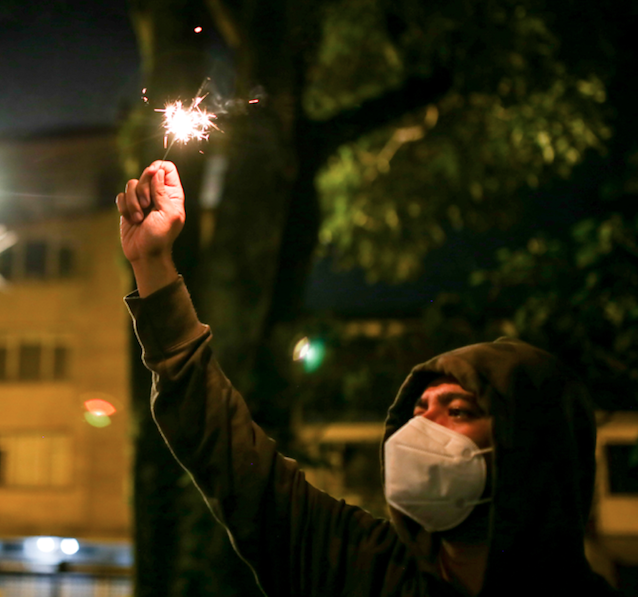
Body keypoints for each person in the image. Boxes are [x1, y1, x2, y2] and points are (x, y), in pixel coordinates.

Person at [116, 160, 618, 596]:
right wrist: (153, 263)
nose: (423, 428)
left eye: (458, 410)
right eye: (419, 409)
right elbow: (224, 447)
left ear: (527, 447)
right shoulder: (359, 566)